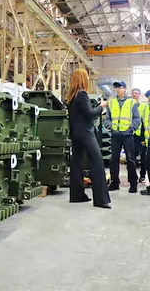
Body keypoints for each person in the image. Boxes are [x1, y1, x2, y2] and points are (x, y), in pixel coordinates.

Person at [66, 69, 111, 209]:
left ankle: (77, 195)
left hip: (75, 133)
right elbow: (89, 114)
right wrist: (101, 107)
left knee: (77, 163)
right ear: (83, 80)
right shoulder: (82, 94)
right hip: (86, 133)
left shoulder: (71, 96)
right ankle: (101, 199)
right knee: (97, 162)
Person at [104, 81, 141, 193]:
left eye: (119, 87)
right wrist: (111, 127)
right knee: (113, 159)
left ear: (125, 89)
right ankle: (115, 182)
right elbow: (107, 118)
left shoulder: (131, 102)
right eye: (116, 88)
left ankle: (133, 184)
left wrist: (131, 129)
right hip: (116, 135)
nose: (118, 90)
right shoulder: (111, 103)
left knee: (130, 159)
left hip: (127, 135)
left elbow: (137, 119)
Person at [131, 88, 147, 183]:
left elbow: (144, 121)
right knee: (131, 157)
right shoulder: (129, 106)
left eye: (136, 93)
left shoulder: (143, 106)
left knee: (143, 157)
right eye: (133, 93)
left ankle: (142, 175)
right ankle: (133, 176)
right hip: (132, 134)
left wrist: (144, 137)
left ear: (139, 95)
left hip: (141, 134)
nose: (134, 95)